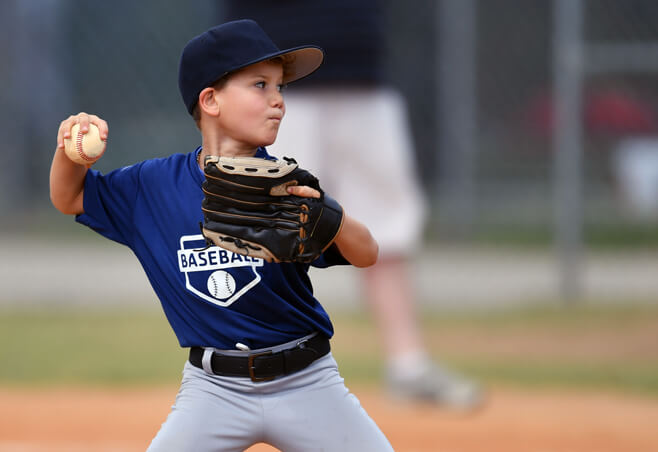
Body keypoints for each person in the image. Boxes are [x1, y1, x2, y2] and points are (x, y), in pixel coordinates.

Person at [50, 20, 393, 451]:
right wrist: (69, 153)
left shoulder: (284, 185)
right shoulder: (152, 187)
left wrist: (329, 217)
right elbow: (69, 197)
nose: (278, 102)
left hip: (308, 382)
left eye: (281, 88)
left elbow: (368, 253)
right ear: (210, 99)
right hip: (213, 392)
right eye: (260, 85)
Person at [221, 0, 482, 408]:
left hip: (364, 76)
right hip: (274, 79)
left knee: (386, 225)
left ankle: (408, 364)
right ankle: (252, 363)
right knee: (266, 227)